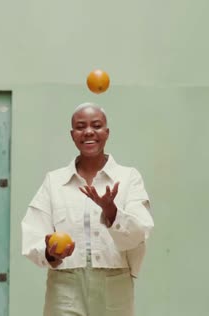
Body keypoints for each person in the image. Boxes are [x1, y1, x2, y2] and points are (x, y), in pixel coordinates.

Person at [21, 102, 154, 316]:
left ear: (107, 132)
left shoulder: (128, 178)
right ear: (72, 134)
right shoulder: (54, 181)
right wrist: (50, 252)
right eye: (81, 127)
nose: (89, 132)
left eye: (97, 125)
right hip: (65, 287)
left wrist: (111, 212)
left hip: (115, 284)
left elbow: (140, 234)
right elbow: (33, 234)